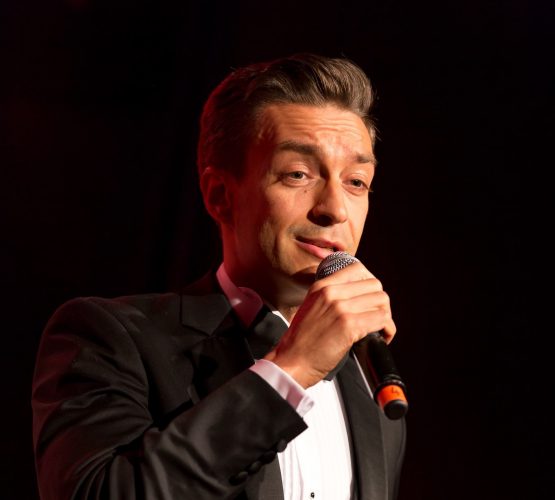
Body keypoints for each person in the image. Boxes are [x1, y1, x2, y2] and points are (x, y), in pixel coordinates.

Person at [31, 53, 406, 500]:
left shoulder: (371, 385)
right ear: (219, 195)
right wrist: (293, 369)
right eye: (298, 174)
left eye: (356, 182)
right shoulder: (110, 337)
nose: (335, 209)